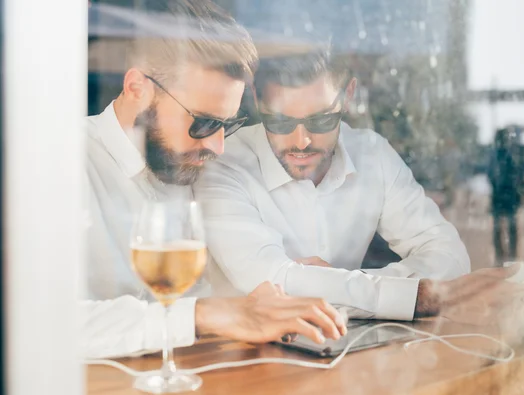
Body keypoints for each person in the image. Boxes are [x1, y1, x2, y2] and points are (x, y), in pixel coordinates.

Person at [82, 0, 347, 359]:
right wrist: (204, 314)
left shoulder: (193, 167)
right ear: (136, 88)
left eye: (228, 124)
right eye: (204, 123)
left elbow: (226, 289)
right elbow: (41, 321)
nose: (217, 146)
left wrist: (271, 287)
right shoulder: (56, 165)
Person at [199, 50, 475, 320]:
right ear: (258, 100)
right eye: (280, 121)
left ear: (348, 95)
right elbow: (271, 284)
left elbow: (451, 257)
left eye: (321, 120)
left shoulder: (372, 154)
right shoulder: (224, 163)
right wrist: (411, 294)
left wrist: (351, 283)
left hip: (352, 345)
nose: (301, 141)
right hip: (246, 356)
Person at [487, 128, 524, 266]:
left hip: (505, 195)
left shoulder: (504, 157)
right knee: (503, 227)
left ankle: (509, 255)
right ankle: (504, 255)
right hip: (503, 196)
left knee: (507, 226)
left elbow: (515, 175)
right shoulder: (502, 156)